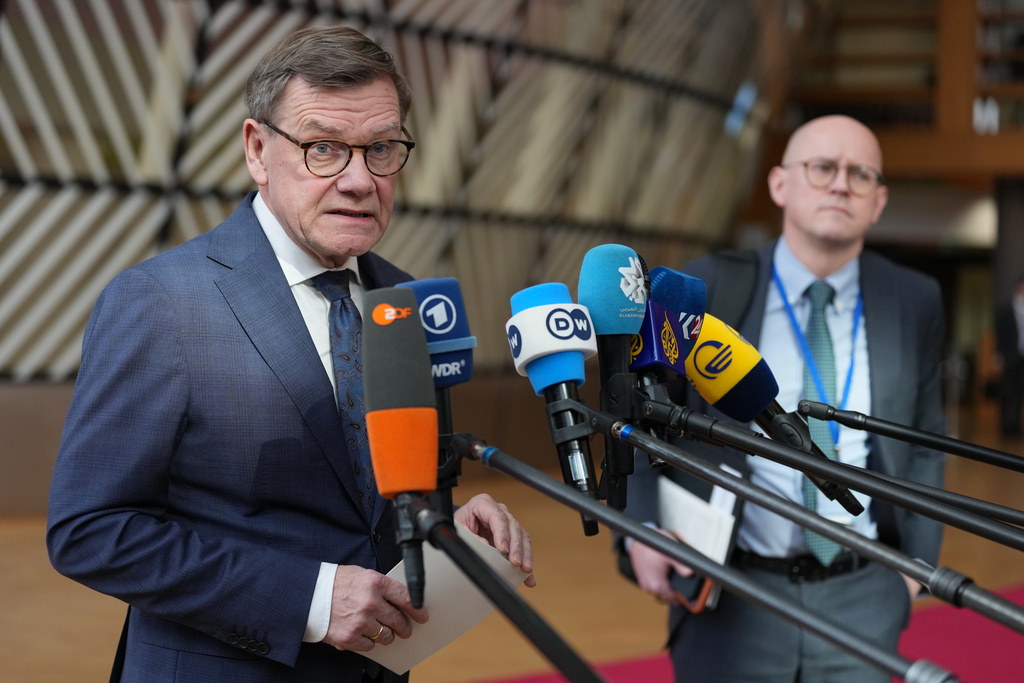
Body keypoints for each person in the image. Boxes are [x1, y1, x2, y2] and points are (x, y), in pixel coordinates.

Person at [47, 26, 534, 683]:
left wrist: (448, 524)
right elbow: (90, 529)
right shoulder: (161, 302)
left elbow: (377, 499)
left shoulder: (405, 302)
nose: (360, 180)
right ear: (257, 149)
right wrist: (308, 598)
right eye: (324, 148)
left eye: (382, 149)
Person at [623, 115, 946, 682]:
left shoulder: (914, 300)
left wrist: (912, 571)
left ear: (879, 201)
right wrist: (643, 529)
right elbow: (637, 417)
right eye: (822, 168)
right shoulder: (706, 289)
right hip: (731, 588)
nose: (841, 184)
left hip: (864, 592)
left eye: (860, 174)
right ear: (779, 185)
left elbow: (926, 438)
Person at [995, 275, 1024, 437]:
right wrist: (999, 357)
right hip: (1010, 356)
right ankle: (1004, 425)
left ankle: (1016, 426)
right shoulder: (1007, 310)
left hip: (1022, 357)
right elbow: (1001, 335)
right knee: (1007, 392)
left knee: (1020, 393)